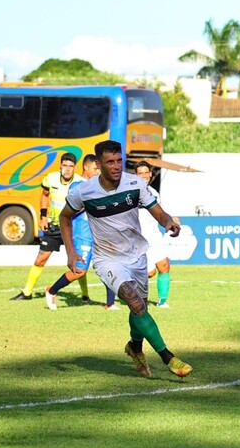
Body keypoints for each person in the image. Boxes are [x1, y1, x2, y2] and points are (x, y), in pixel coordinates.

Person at [61, 140, 191, 378]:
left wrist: (169, 222)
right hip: (107, 260)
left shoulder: (135, 184)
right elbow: (65, 218)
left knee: (138, 309)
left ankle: (135, 347)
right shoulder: (84, 191)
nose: (116, 165)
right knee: (135, 301)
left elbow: (159, 212)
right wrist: (71, 251)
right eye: (110, 162)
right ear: (99, 164)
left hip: (137, 256)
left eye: (119, 160)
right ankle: (168, 357)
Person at [13, 152, 88, 305]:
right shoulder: (50, 179)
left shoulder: (81, 182)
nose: (67, 169)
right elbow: (45, 195)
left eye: (71, 166)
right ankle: (27, 292)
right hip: (54, 226)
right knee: (40, 259)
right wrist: (42, 217)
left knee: (78, 262)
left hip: (72, 228)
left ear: (75, 168)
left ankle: (85, 295)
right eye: (65, 166)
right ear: (60, 166)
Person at [41, 154, 100, 309]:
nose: (98, 171)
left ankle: (110, 303)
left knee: (109, 264)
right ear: (86, 167)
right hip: (82, 233)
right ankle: (52, 290)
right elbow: (69, 211)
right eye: (96, 168)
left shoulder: (98, 186)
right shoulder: (77, 186)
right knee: (79, 271)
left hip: (97, 233)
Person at [133, 160, 172, 307]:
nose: (143, 176)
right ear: (136, 176)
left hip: (154, 236)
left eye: (145, 172)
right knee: (150, 273)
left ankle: (162, 301)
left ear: (150, 174)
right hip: (140, 239)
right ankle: (128, 290)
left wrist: (170, 219)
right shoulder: (132, 193)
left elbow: (159, 212)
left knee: (164, 266)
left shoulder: (154, 193)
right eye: (140, 173)